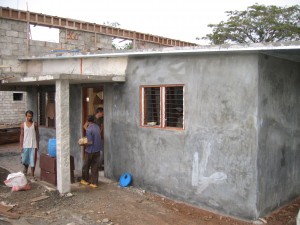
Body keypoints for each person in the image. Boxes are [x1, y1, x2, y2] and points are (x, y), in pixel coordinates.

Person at [81, 115, 103, 188]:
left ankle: (85, 180)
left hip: (90, 150)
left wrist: (82, 143)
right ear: (94, 120)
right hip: (97, 149)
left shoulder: (89, 130)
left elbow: (90, 142)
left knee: (85, 166)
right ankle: (94, 183)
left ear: (87, 121)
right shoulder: (97, 127)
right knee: (95, 167)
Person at [20, 110, 40, 178]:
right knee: (24, 160)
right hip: (25, 145)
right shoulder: (23, 125)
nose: (29, 117)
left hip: (33, 145)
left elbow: (37, 135)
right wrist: (21, 146)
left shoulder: (35, 124)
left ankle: (32, 175)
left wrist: (37, 144)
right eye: (28, 116)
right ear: (26, 116)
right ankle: (25, 169)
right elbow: (21, 135)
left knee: (32, 161)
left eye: (31, 116)